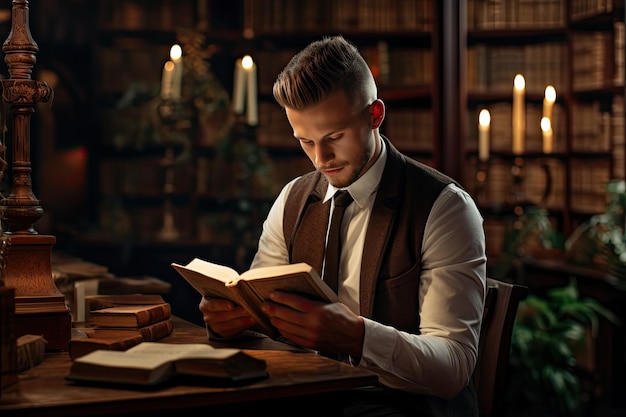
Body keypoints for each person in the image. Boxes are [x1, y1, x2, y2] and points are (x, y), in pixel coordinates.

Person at [199, 35, 486, 416]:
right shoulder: (292, 201)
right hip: (306, 394)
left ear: (375, 115)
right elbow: (261, 319)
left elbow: (453, 367)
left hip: (402, 406)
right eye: (305, 141)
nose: (321, 159)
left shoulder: (445, 208)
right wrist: (230, 321)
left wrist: (358, 337)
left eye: (334, 137)